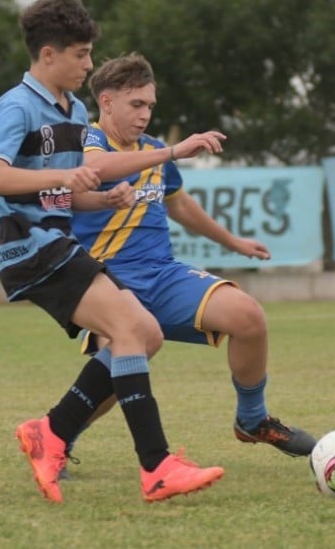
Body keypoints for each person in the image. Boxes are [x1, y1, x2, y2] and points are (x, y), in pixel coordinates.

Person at [0, 0, 230, 504]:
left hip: (58, 242)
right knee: (134, 329)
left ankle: (51, 431)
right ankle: (156, 468)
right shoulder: (16, 105)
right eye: (81, 54)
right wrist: (75, 175)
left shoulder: (73, 109)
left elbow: (61, 193)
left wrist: (100, 200)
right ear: (49, 55)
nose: (89, 64)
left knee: (144, 335)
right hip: (31, 247)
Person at [61, 53, 316, 476]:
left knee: (248, 316)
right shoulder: (88, 141)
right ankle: (59, 439)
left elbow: (181, 207)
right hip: (110, 284)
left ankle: (252, 420)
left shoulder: (154, 151)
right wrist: (175, 152)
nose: (145, 115)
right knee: (122, 361)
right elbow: (96, 168)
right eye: (136, 105)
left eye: (150, 106)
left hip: (163, 275)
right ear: (106, 102)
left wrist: (232, 241)